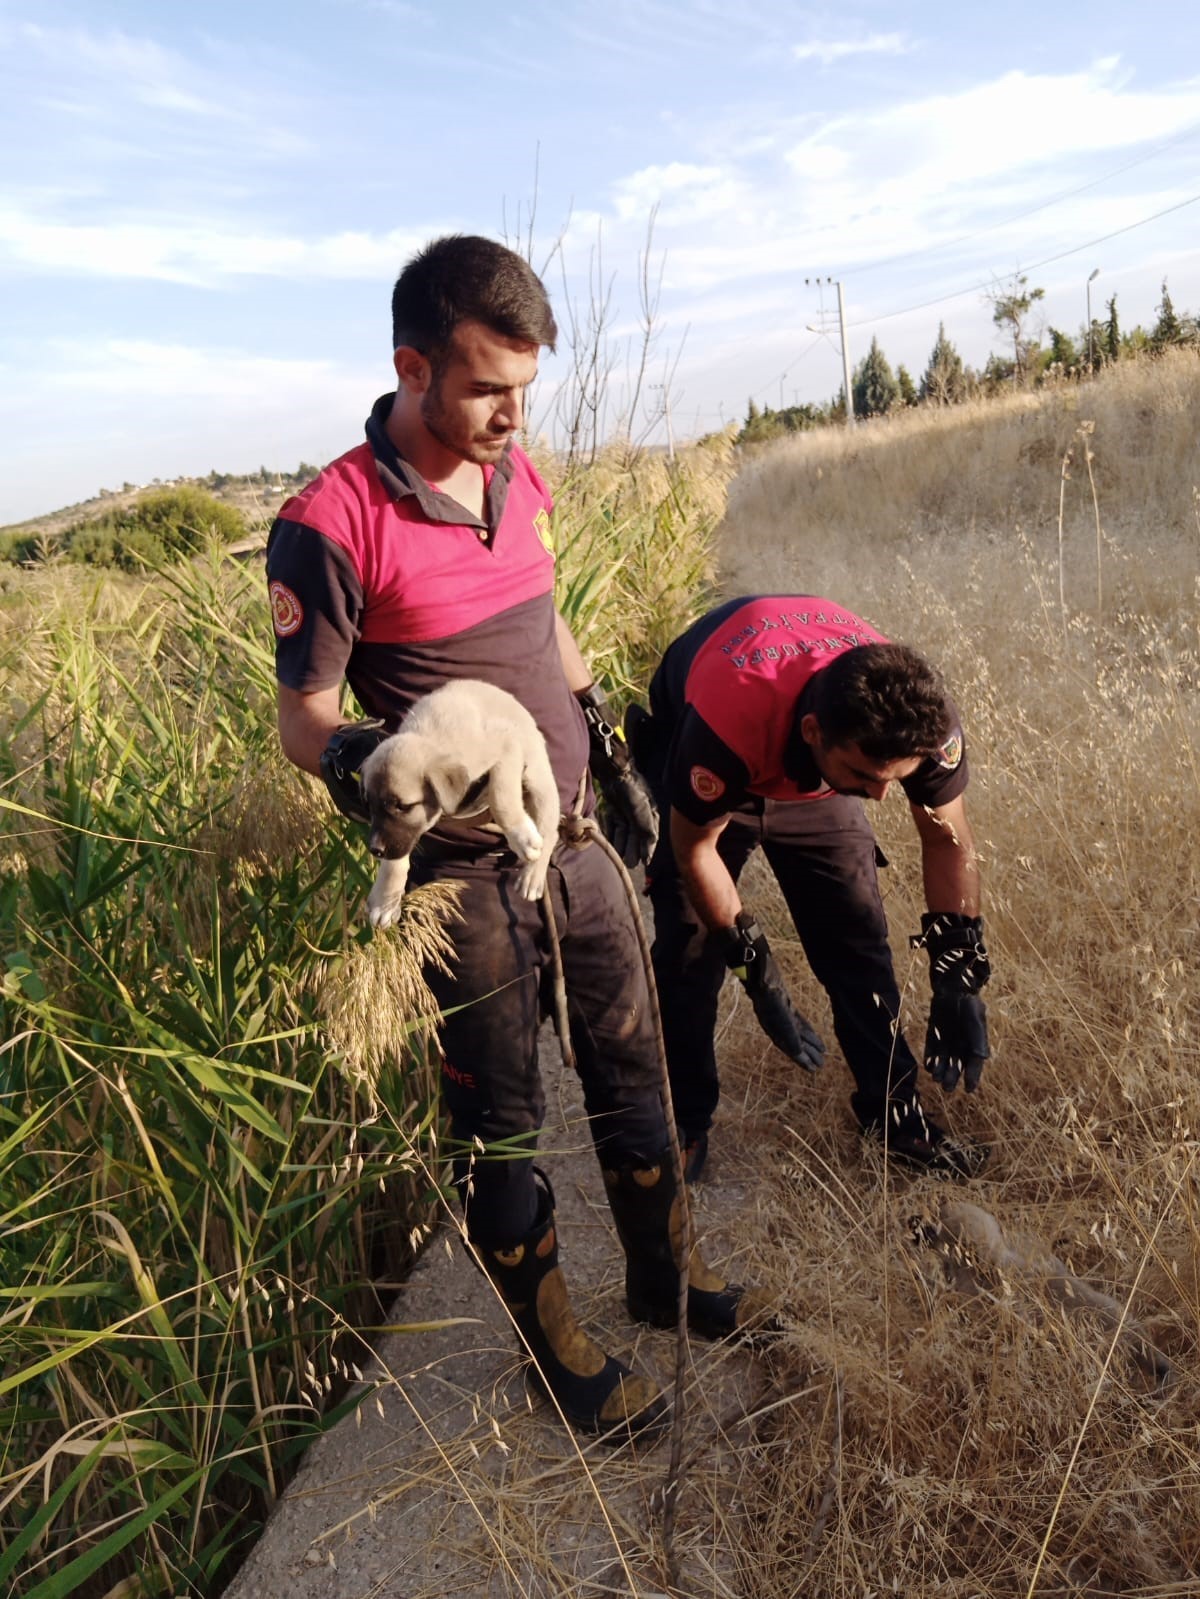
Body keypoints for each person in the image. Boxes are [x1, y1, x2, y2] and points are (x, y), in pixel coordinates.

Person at [264, 235, 767, 1443]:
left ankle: (664, 1278)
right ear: (413, 366)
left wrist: (609, 740)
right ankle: (557, 1355)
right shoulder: (327, 523)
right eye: (488, 387)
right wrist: (367, 769)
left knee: (634, 1070)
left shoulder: (518, 473)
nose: (510, 415)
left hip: (579, 840)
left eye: (525, 390)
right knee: (505, 1122)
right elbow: (304, 724)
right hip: (463, 885)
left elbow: (549, 625)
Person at [633, 594, 992, 1182]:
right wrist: (755, 969)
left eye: (893, 780)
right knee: (689, 953)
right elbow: (695, 848)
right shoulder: (726, 726)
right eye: (866, 778)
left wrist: (957, 973)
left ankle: (898, 1121)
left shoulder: (925, 722)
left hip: (806, 769)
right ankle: (683, 1123)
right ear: (812, 732)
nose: (880, 799)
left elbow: (948, 841)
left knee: (858, 947)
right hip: (716, 745)